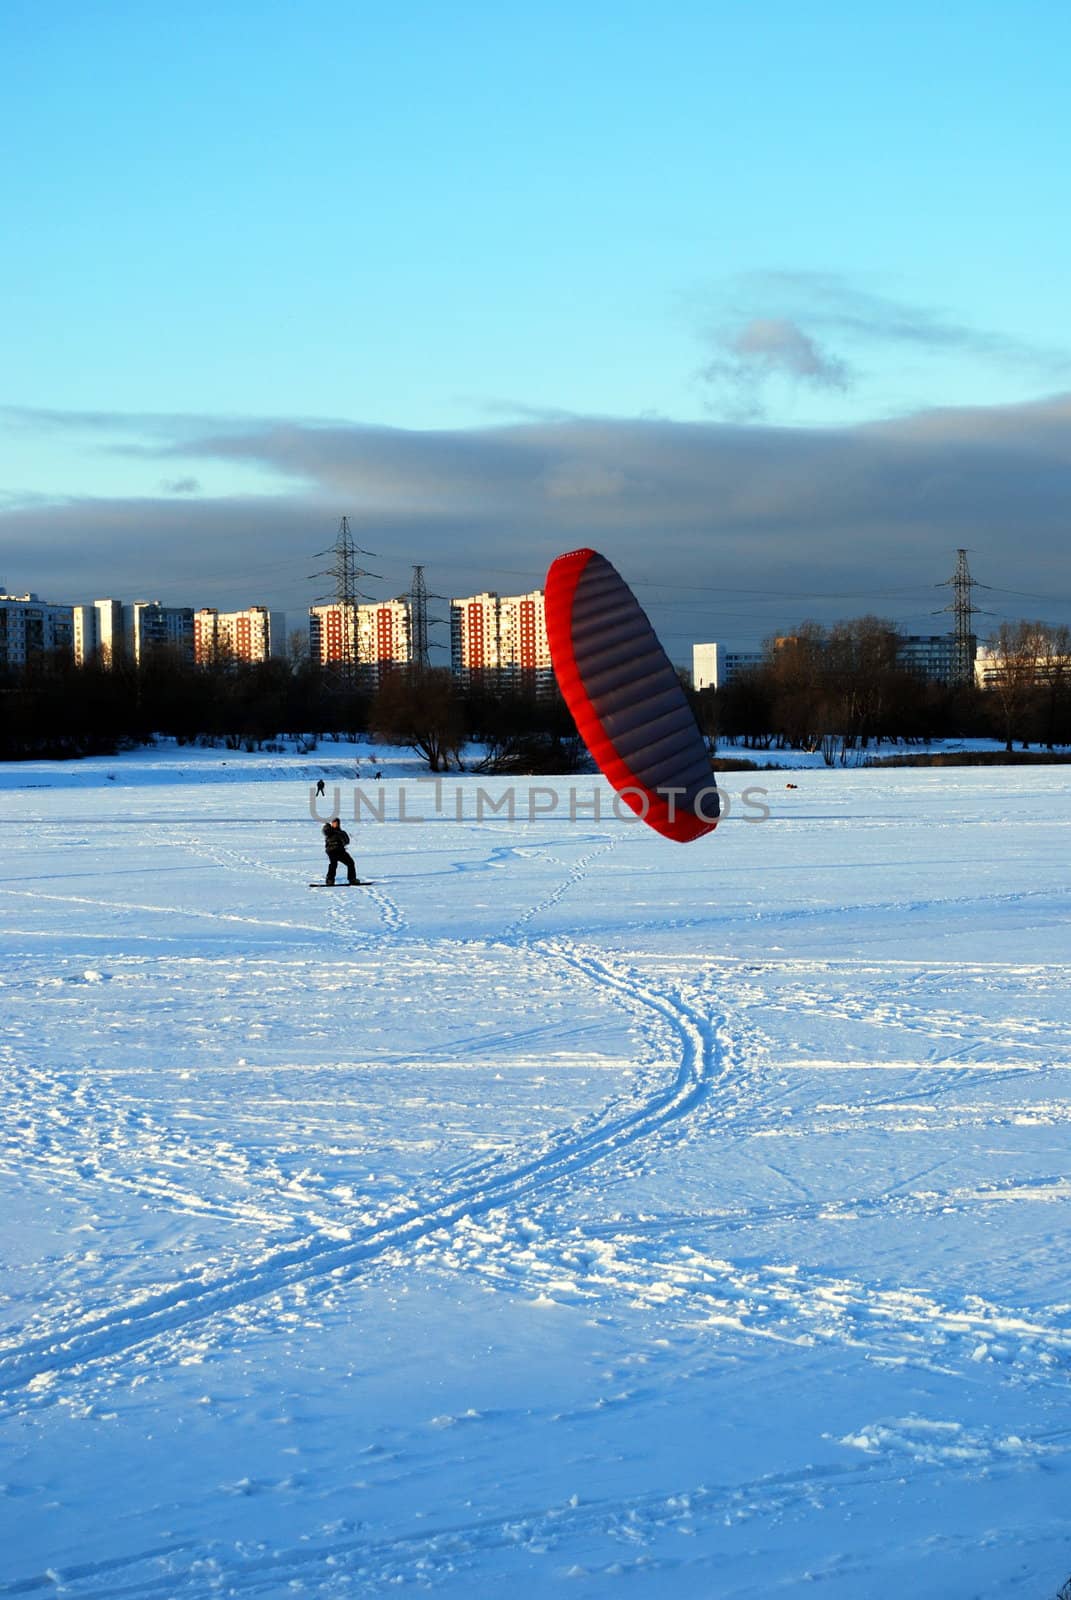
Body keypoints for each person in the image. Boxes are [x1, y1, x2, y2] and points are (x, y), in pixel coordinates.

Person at [322, 817, 358, 885]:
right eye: (334, 823)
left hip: (341, 851)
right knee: (333, 864)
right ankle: (330, 880)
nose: (336, 824)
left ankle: (352, 879)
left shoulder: (342, 832)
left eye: (337, 823)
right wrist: (327, 826)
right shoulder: (330, 831)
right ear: (332, 823)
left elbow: (347, 841)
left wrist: (341, 837)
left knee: (350, 863)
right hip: (332, 850)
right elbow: (325, 831)